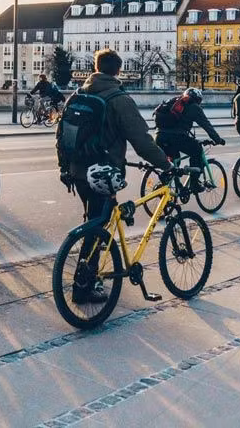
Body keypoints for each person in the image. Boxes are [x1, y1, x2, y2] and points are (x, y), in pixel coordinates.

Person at [58, 49, 170, 302]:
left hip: (78, 171)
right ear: (118, 71)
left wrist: (64, 167)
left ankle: (89, 276)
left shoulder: (78, 94)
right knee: (98, 225)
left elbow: (61, 134)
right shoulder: (119, 99)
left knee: (94, 221)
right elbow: (141, 142)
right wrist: (166, 165)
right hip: (103, 173)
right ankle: (83, 286)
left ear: (96, 67)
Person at [154, 88, 225, 190]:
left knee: (174, 160)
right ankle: (194, 184)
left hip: (159, 136)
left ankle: (170, 182)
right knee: (197, 150)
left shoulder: (174, 101)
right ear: (198, 100)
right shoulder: (194, 107)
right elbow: (206, 125)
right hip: (176, 137)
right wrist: (218, 139)